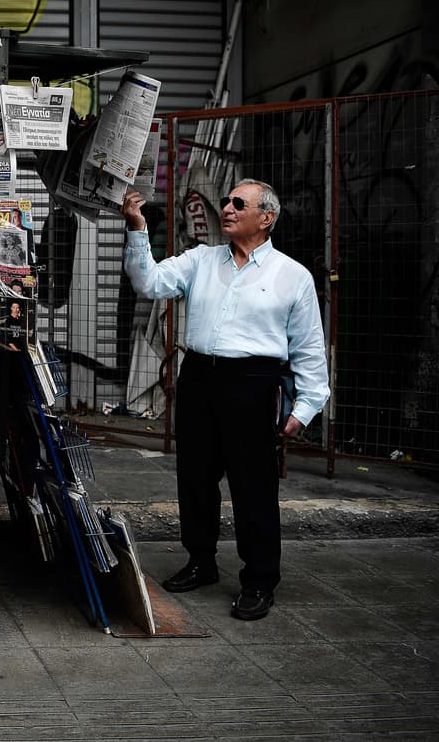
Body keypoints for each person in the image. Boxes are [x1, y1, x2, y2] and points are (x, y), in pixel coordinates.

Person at [121, 179, 329, 621]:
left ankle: (259, 579)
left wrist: (306, 407)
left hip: (253, 383)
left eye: (239, 203)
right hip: (199, 375)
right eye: (226, 201)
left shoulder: (293, 276)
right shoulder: (201, 259)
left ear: (266, 217)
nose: (227, 209)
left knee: (253, 485)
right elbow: (149, 282)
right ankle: (201, 562)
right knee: (194, 478)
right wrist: (138, 229)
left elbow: (309, 347)